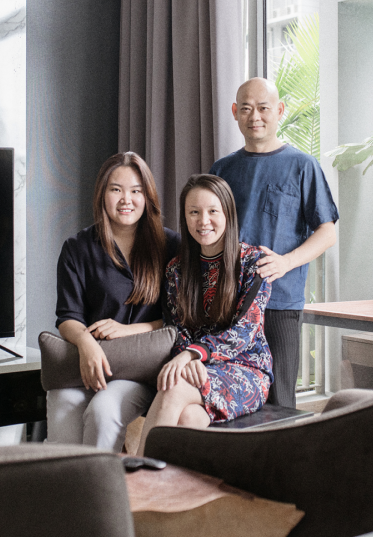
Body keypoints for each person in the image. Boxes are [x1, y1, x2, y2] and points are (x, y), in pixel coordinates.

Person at [210, 77, 338, 408]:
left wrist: (285, 262)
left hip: (279, 302)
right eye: (246, 109)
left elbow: (327, 232)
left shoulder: (303, 166)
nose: (255, 116)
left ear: (279, 111)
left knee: (280, 398)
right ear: (235, 112)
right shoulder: (222, 169)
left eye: (263, 108)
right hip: (229, 301)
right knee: (229, 396)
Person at [47, 151, 180, 452]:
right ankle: (65, 482)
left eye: (136, 191)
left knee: (103, 411)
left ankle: (100, 481)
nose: (126, 200)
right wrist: (86, 344)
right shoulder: (77, 248)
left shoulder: (171, 246)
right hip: (87, 362)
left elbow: (180, 320)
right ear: (102, 194)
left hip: (141, 370)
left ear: (147, 197)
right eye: (116, 190)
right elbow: (67, 316)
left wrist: (128, 330)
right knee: (62, 406)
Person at [137, 174, 273, 453]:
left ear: (228, 214)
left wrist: (193, 355)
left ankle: (137, 471)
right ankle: (175, 481)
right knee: (188, 417)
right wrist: (189, 357)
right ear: (185, 217)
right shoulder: (176, 269)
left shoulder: (254, 262)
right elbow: (177, 328)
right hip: (197, 367)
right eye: (194, 212)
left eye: (213, 211)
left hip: (246, 369)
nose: (203, 221)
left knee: (174, 385)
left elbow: (244, 332)